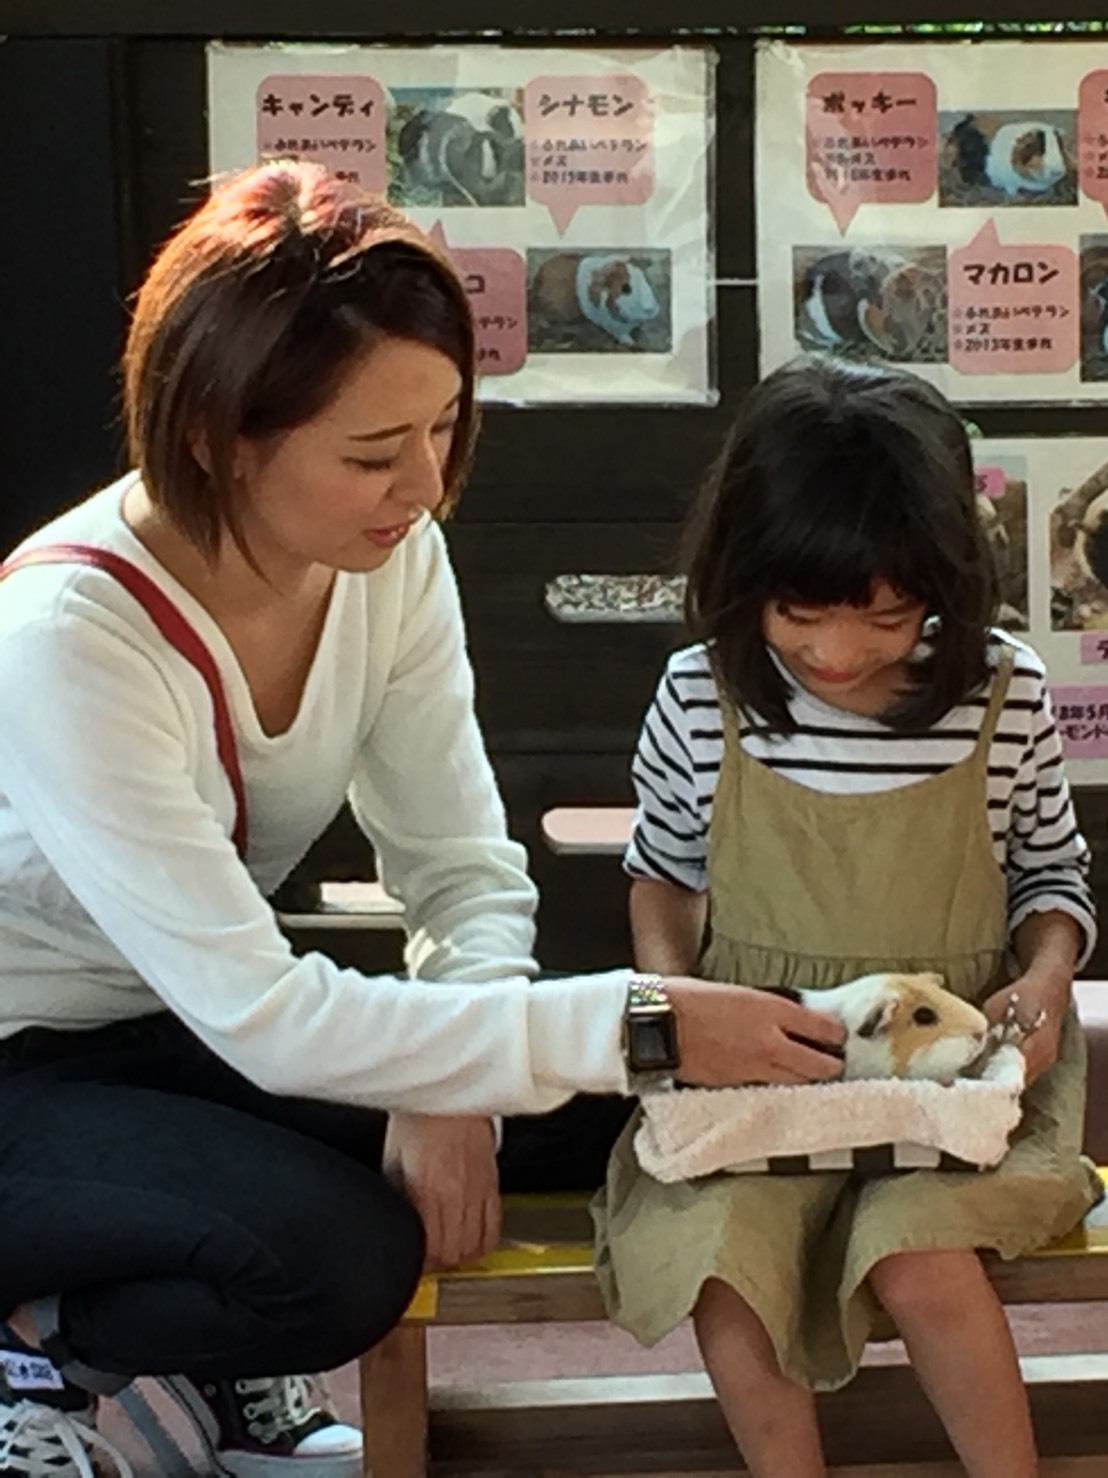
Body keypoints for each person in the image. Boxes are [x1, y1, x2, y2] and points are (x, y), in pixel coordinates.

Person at [0, 162, 849, 1478]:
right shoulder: (67, 638)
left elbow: (459, 864)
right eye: (372, 452)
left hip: (180, 1032)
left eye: (446, 426)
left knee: (621, 1113)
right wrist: (616, 1019)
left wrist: (458, 1077)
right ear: (220, 432)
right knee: (343, 1256)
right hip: (28, 1065)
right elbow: (268, 1016)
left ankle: (187, 1357)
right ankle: (54, 1351)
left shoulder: (389, 559)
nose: (426, 483)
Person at [593, 355, 1104, 1478]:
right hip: (763, 1057)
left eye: (882, 617)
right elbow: (662, 874)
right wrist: (674, 1006)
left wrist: (1046, 978)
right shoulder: (698, 694)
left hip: (956, 1070)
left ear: (943, 580)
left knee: (914, 1252)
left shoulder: (1002, 691)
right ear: (742, 578)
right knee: (728, 1261)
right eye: (799, 614)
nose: (835, 653)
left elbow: (1050, 881)